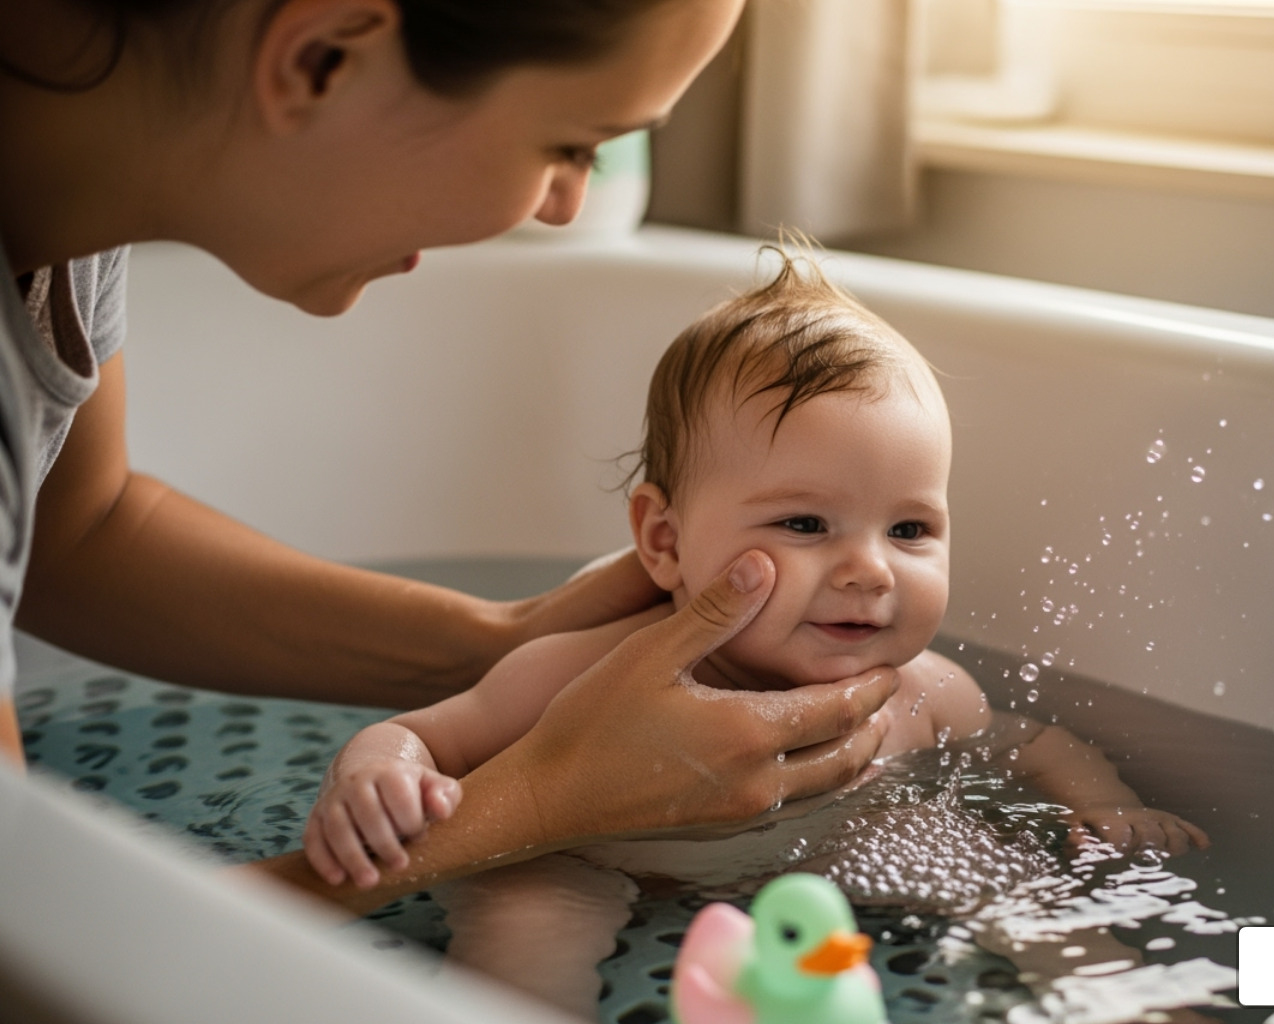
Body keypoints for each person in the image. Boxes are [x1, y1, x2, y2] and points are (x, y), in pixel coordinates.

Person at [0, 0, 900, 893]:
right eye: (571, 146)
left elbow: (70, 531)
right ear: (320, 60)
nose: (562, 209)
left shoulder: (66, 222)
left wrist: (506, 645)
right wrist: (541, 804)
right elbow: (23, 951)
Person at [302, 248, 1211, 1017]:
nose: (871, 570)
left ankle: (1137, 1003)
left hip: (828, 844)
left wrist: (1100, 801)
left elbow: (1031, 743)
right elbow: (427, 733)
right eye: (806, 526)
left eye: (909, 529)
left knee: (992, 865)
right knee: (526, 916)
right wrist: (378, 772)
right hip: (578, 852)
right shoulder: (583, 671)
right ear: (665, 541)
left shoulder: (922, 691)